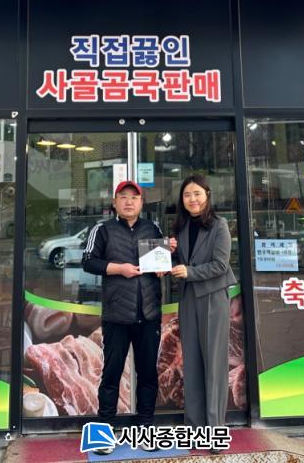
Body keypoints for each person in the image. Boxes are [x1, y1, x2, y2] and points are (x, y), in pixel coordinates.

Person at [82, 180, 164, 451]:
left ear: (142, 202)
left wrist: (164, 265)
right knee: (112, 373)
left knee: (148, 374)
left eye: (134, 197)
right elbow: (88, 261)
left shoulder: (153, 228)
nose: (129, 201)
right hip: (117, 316)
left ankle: (145, 430)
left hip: (148, 314)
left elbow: (163, 263)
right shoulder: (102, 229)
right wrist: (119, 269)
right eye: (123, 197)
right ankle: (103, 434)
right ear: (115, 202)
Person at [171, 174, 236, 428]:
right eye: (187, 195)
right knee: (192, 362)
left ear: (207, 195)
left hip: (213, 297)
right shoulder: (181, 227)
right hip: (188, 297)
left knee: (214, 363)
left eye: (197, 193)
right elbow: (180, 263)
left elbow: (220, 265)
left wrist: (189, 272)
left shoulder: (219, 225)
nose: (192, 199)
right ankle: (195, 425)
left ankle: (214, 426)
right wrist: (168, 256)